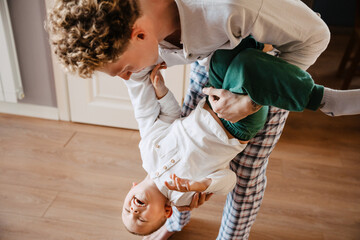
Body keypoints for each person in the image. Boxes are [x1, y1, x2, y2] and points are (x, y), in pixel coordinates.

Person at [46, 0, 332, 239]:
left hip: (270, 75)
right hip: (211, 64)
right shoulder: (136, 33)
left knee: (246, 175)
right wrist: (195, 187)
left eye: (124, 68)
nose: (126, 77)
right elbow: (149, 109)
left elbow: (315, 36)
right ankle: (173, 221)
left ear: (140, 34)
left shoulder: (231, 7)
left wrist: (253, 99)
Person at [120, 37, 360, 236]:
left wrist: (161, 92)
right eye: (141, 220)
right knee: (248, 70)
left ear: (132, 187)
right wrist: (203, 184)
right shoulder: (183, 197)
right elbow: (229, 180)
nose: (134, 212)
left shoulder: (147, 152)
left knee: (223, 54)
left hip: (211, 101)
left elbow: (170, 118)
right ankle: (319, 98)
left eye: (126, 211)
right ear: (166, 212)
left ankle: (260, 39)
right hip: (238, 128)